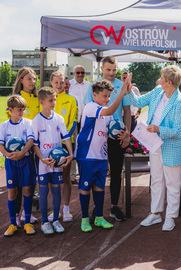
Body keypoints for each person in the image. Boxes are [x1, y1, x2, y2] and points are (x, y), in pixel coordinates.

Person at [126, 65, 181, 231]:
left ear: (168, 82)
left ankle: (170, 217)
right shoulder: (157, 91)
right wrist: (128, 90)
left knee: (173, 184)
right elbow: (138, 102)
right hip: (155, 145)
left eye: (161, 77)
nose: (159, 80)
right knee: (156, 180)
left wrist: (158, 129)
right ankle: (155, 213)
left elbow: (178, 131)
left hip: (172, 147)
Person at [76, 79, 129, 232]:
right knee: (85, 188)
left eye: (109, 97)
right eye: (105, 96)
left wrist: (123, 135)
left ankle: (99, 217)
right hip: (87, 155)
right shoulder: (91, 107)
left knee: (100, 188)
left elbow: (112, 130)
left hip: (100, 156)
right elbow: (110, 111)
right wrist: (122, 93)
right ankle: (85, 219)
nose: (107, 99)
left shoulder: (107, 113)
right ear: (94, 95)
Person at [83, 56, 131, 222]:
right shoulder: (93, 86)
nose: (111, 73)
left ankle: (114, 207)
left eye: (114, 70)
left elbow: (127, 111)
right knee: (97, 174)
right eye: (108, 69)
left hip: (116, 135)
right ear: (102, 68)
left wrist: (127, 133)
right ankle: (96, 209)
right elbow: (90, 110)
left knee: (116, 171)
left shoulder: (122, 85)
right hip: (98, 137)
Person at [32, 87, 74, 235]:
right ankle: (44, 222)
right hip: (44, 163)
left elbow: (66, 137)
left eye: (55, 99)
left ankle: (55, 219)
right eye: (51, 100)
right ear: (41, 101)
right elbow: (35, 144)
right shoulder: (36, 121)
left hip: (57, 162)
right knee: (43, 191)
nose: (54, 102)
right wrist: (42, 159)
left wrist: (70, 154)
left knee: (56, 190)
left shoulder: (59, 118)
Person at [5, 67, 39, 226]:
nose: (32, 82)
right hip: (20, 148)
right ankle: (17, 215)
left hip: (34, 145)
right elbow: (11, 123)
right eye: (29, 79)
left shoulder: (38, 98)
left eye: (34, 79)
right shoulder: (16, 99)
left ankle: (28, 213)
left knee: (30, 182)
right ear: (21, 80)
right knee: (17, 186)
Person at [0, 95, 36, 236]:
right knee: (12, 192)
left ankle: (27, 222)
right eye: (19, 110)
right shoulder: (4, 126)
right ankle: (13, 224)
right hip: (11, 162)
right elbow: (1, 144)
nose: (22, 112)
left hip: (25, 161)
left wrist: (22, 152)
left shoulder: (28, 123)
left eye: (24, 110)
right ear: (10, 109)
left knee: (27, 190)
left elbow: (30, 140)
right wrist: (8, 155)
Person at [49, 71, 78, 222]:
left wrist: (64, 136)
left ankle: (66, 209)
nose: (59, 85)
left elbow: (73, 122)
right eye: (56, 82)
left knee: (66, 177)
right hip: (49, 144)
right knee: (52, 179)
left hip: (66, 143)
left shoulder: (71, 100)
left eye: (62, 82)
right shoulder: (46, 99)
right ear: (51, 83)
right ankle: (55, 208)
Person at [69, 65, 90, 185]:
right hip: (73, 120)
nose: (80, 75)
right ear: (73, 73)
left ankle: (83, 172)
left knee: (83, 146)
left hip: (85, 120)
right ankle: (72, 175)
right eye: (78, 73)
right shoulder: (69, 85)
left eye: (83, 72)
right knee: (73, 146)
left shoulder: (88, 86)